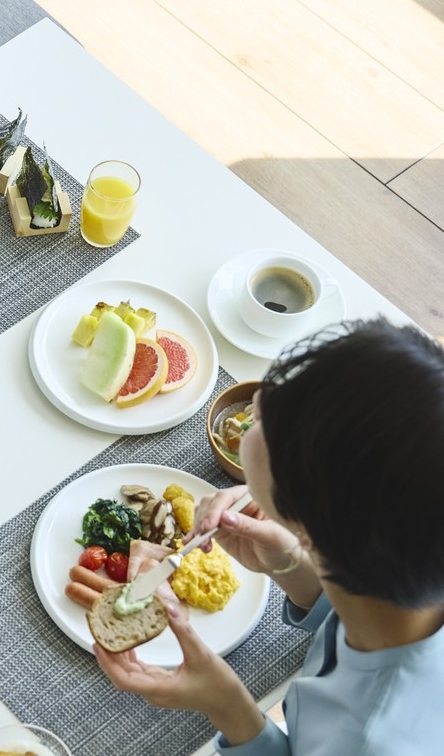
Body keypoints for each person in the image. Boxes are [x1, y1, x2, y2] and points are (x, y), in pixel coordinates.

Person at [96, 320, 444, 754]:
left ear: (313, 518)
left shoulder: (371, 741)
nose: (259, 398)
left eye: (281, 422)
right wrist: (299, 571)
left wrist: (228, 706)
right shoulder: (407, 554)